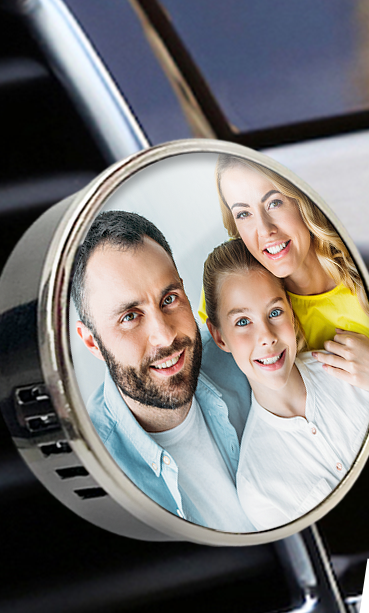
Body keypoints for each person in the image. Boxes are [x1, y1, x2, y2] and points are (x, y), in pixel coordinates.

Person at [71, 210, 254, 532]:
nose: (165, 336)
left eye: (169, 299)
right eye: (130, 316)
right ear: (92, 342)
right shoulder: (93, 475)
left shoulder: (247, 351)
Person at [202, 239, 369, 530]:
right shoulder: (258, 489)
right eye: (243, 322)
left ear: (291, 315)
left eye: (274, 312)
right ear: (219, 337)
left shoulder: (361, 368)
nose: (266, 336)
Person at [210, 154, 369, 392]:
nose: (265, 230)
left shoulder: (365, 261)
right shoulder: (230, 288)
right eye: (244, 214)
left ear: (303, 199)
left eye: (274, 203)